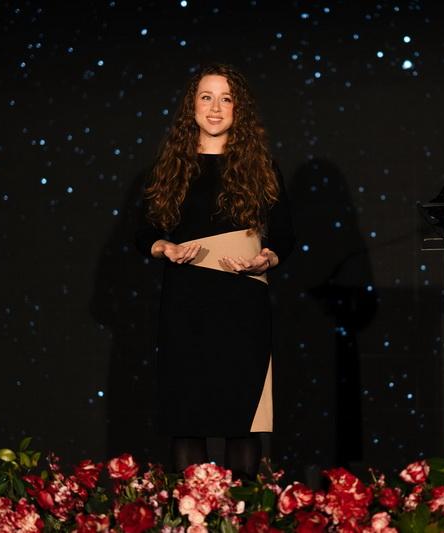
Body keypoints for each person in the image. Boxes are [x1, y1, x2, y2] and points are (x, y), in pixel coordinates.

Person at [136, 64, 295, 479]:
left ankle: (243, 511)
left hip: (242, 302)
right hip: (186, 301)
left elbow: (285, 235)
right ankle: (196, 511)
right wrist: (164, 246)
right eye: (206, 97)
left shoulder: (262, 166)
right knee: (187, 419)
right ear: (192, 106)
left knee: (242, 422)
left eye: (226, 99)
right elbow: (144, 231)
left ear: (239, 109)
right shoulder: (171, 166)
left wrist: (266, 259)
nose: (215, 108)